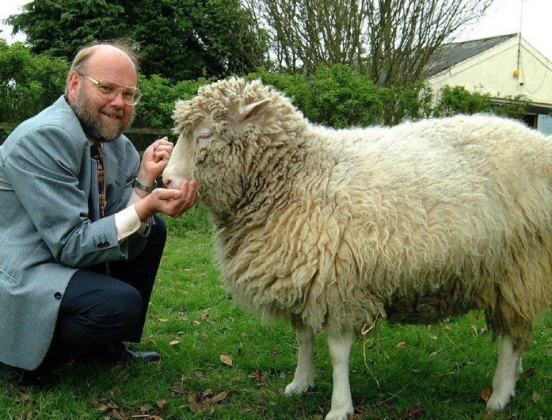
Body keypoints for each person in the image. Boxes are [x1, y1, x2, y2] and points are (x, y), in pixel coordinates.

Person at [0, 40, 199, 384]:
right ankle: (24, 362)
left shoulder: (117, 144)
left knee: (154, 230)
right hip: (24, 270)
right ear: (75, 84)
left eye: (128, 94)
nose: (119, 103)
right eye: (106, 88)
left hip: (61, 255)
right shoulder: (44, 137)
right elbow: (72, 244)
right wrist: (145, 206)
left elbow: (115, 221)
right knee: (118, 304)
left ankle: (105, 347)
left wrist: (144, 182)